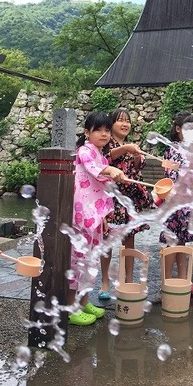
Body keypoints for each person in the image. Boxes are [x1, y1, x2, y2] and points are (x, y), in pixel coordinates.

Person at [68, 111, 126, 326]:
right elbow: (96, 171)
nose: (103, 134)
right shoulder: (84, 151)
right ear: (87, 132)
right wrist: (111, 169)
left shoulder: (99, 153)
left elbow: (100, 185)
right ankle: (71, 308)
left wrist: (103, 217)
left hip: (94, 216)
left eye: (106, 130)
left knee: (90, 261)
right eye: (98, 130)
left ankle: (83, 302)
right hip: (82, 217)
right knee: (78, 261)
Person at [99, 108, 151, 299]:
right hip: (110, 198)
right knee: (107, 240)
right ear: (111, 125)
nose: (124, 124)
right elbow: (107, 158)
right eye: (120, 120)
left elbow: (138, 167)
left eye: (127, 121)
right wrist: (127, 148)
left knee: (129, 240)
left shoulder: (132, 145)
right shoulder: (106, 143)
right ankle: (105, 282)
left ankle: (128, 280)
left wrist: (137, 156)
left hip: (129, 199)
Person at [159, 111, 193, 293]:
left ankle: (184, 279)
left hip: (188, 204)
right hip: (174, 203)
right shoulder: (173, 149)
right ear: (178, 129)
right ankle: (167, 281)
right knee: (172, 242)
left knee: (183, 242)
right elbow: (170, 178)